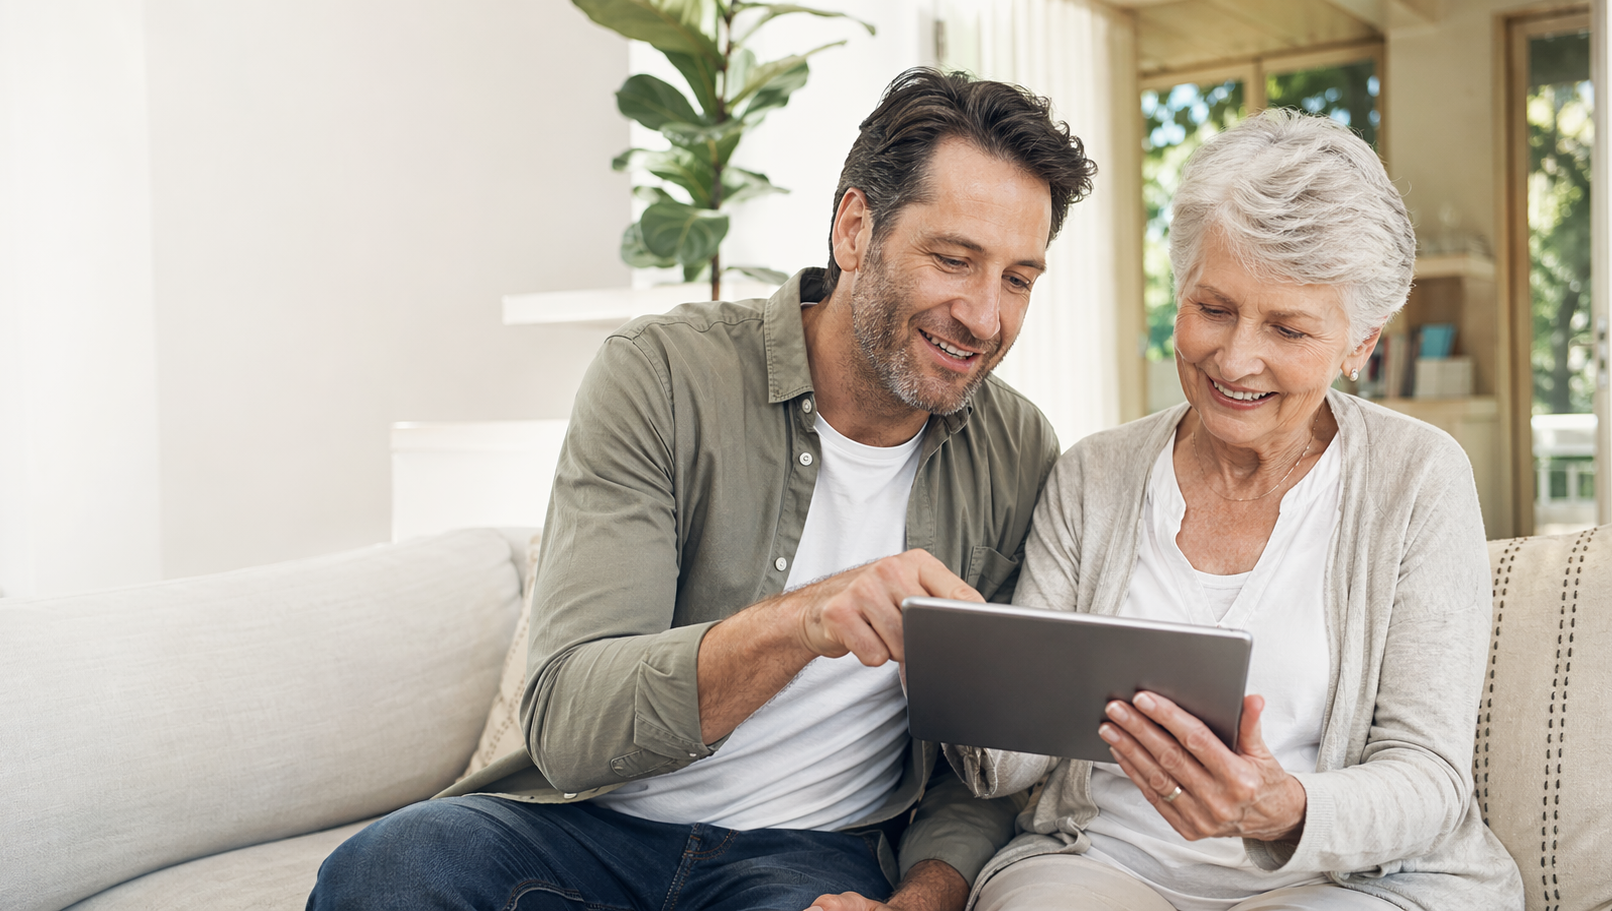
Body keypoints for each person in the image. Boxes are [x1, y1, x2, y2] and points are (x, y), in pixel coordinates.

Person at [307, 68, 1095, 911]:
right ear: (856, 229)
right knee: (389, 869)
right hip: (592, 826)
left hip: (810, 858)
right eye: (953, 260)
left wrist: (924, 896)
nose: (983, 316)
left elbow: (977, 768)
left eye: (1017, 279)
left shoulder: (1016, 451)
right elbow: (571, 722)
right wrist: (808, 618)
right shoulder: (661, 378)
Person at [947, 109, 1525, 911]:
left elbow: (1427, 775)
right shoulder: (1094, 473)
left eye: (1287, 327)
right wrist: (956, 655)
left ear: (1360, 343)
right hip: (1103, 862)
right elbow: (1011, 760)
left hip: (1335, 880)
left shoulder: (1418, 478)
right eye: (1213, 308)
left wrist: (1281, 806)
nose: (1236, 356)